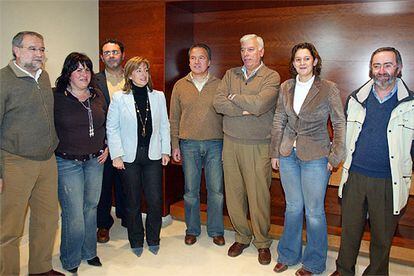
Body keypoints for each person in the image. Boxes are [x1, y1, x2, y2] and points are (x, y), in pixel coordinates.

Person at [331, 47, 414, 276]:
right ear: (371, 69)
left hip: (388, 181)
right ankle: (344, 270)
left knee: (382, 236)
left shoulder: (411, 104)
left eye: (387, 65)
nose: (382, 71)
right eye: (376, 66)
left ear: (399, 68)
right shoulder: (356, 99)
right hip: (355, 177)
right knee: (349, 231)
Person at [270, 42, 346, 275]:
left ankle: (313, 262)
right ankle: (288, 254)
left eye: (306, 59)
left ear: (315, 61)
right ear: (293, 63)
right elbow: (278, 120)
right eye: (297, 59)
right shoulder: (286, 87)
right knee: (293, 207)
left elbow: (339, 123)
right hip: (287, 155)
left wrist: (335, 156)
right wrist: (275, 152)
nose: (302, 63)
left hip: (316, 156)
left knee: (314, 212)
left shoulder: (328, 88)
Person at [0, 31, 64, 275]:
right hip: (15, 162)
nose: (39, 54)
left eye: (42, 49)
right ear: (16, 50)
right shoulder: (3, 80)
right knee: (9, 229)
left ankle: (40, 268)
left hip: (47, 161)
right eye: (33, 48)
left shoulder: (44, 76)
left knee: (47, 220)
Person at [213, 34, 280, 265]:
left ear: (261, 51)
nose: (246, 54)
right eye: (243, 50)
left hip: (258, 144)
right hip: (230, 142)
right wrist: (244, 107)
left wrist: (236, 99)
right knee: (234, 194)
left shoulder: (271, 76)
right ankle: (242, 236)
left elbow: (261, 104)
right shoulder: (230, 74)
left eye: (251, 50)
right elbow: (218, 102)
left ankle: (262, 242)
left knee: (258, 196)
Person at [106, 56, 170, 257]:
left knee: (154, 199)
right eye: (139, 70)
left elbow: (165, 126)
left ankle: (153, 238)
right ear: (130, 75)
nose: (143, 74)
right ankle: (135, 239)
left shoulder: (158, 96)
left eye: (146, 70)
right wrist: (116, 155)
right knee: (132, 201)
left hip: (152, 155)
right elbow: (112, 127)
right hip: (128, 156)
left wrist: (165, 150)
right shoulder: (119, 97)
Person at [54, 52, 108, 273]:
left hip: (96, 160)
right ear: (68, 74)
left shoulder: (97, 96)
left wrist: (107, 145)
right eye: (78, 69)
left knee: (90, 208)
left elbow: (107, 123)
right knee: (73, 212)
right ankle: (70, 258)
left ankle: (89, 252)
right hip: (68, 163)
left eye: (87, 69)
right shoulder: (56, 98)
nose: (83, 74)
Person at [170, 43, 225, 246]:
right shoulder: (179, 85)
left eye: (201, 58)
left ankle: (216, 230)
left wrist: (226, 145)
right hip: (188, 144)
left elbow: (227, 117)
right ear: (189, 61)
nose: (197, 61)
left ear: (209, 61)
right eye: (193, 58)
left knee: (216, 191)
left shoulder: (220, 85)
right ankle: (192, 229)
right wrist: (175, 144)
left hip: (215, 144)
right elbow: (174, 118)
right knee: (190, 190)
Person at [95, 39, 126, 243]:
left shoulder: (133, 76)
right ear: (101, 57)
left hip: (129, 141)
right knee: (104, 185)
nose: (111, 56)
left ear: (122, 54)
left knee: (127, 182)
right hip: (104, 142)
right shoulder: (93, 80)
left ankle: (127, 217)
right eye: (107, 53)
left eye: (115, 52)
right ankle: (103, 224)